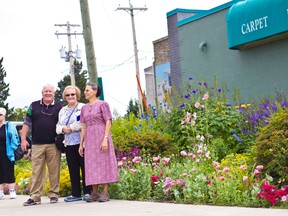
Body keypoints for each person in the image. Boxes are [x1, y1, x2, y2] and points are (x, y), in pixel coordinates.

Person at [21, 84, 62, 206]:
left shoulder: (59, 106)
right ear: (42, 93)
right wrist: (23, 139)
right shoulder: (33, 105)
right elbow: (26, 122)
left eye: (50, 91)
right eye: (46, 91)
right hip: (37, 144)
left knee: (54, 170)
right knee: (37, 171)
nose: (48, 93)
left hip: (54, 144)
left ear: (54, 93)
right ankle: (35, 196)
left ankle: (54, 194)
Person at [79, 83, 119, 202]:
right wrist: (81, 144)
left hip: (101, 136)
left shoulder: (103, 104)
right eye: (85, 90)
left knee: (104, 162)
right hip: (90, 138)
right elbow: (83, 126)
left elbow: (108, 122)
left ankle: (105, 193)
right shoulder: (84, 108)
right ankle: (94, 193)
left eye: (87, 90)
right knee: (91, 165)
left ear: (95, 91)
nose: (85, 92)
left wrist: (105, 139)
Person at [56, 85, 91, 202]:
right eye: (68, 95)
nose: (70, 96)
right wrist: (62, 129)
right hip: (69, 144)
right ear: (65, 97)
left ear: (77, 95)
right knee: (73, 169)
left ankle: (88, 192)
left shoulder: (83, 107)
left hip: (82, 143)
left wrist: (70, 127)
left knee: (85, 168)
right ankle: (76, 194)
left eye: (73, 94)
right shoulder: (62, 110)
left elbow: (83, 123)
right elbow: (57, 126)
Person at [0, 107, 20, 200]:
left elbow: (15, 139)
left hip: (7, 152)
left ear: (4, 115)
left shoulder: (9, 125)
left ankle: (12, 191)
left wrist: (12, 149)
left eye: (0, 114)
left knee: (9, 171)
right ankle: (1, 192)